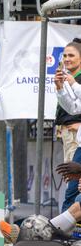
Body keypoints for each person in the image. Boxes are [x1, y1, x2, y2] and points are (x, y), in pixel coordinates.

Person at [54, 38, 81, 212]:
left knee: (74, 192)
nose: (66, 59)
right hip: (80, 143)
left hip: (76, 137)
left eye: (71, 55)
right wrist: (60, 88)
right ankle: (65, 232)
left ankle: (60, 231)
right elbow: (73, 108)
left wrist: (73, 84)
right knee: (73, 190)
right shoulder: (71, 78)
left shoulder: (75, 80)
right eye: (64, 55)